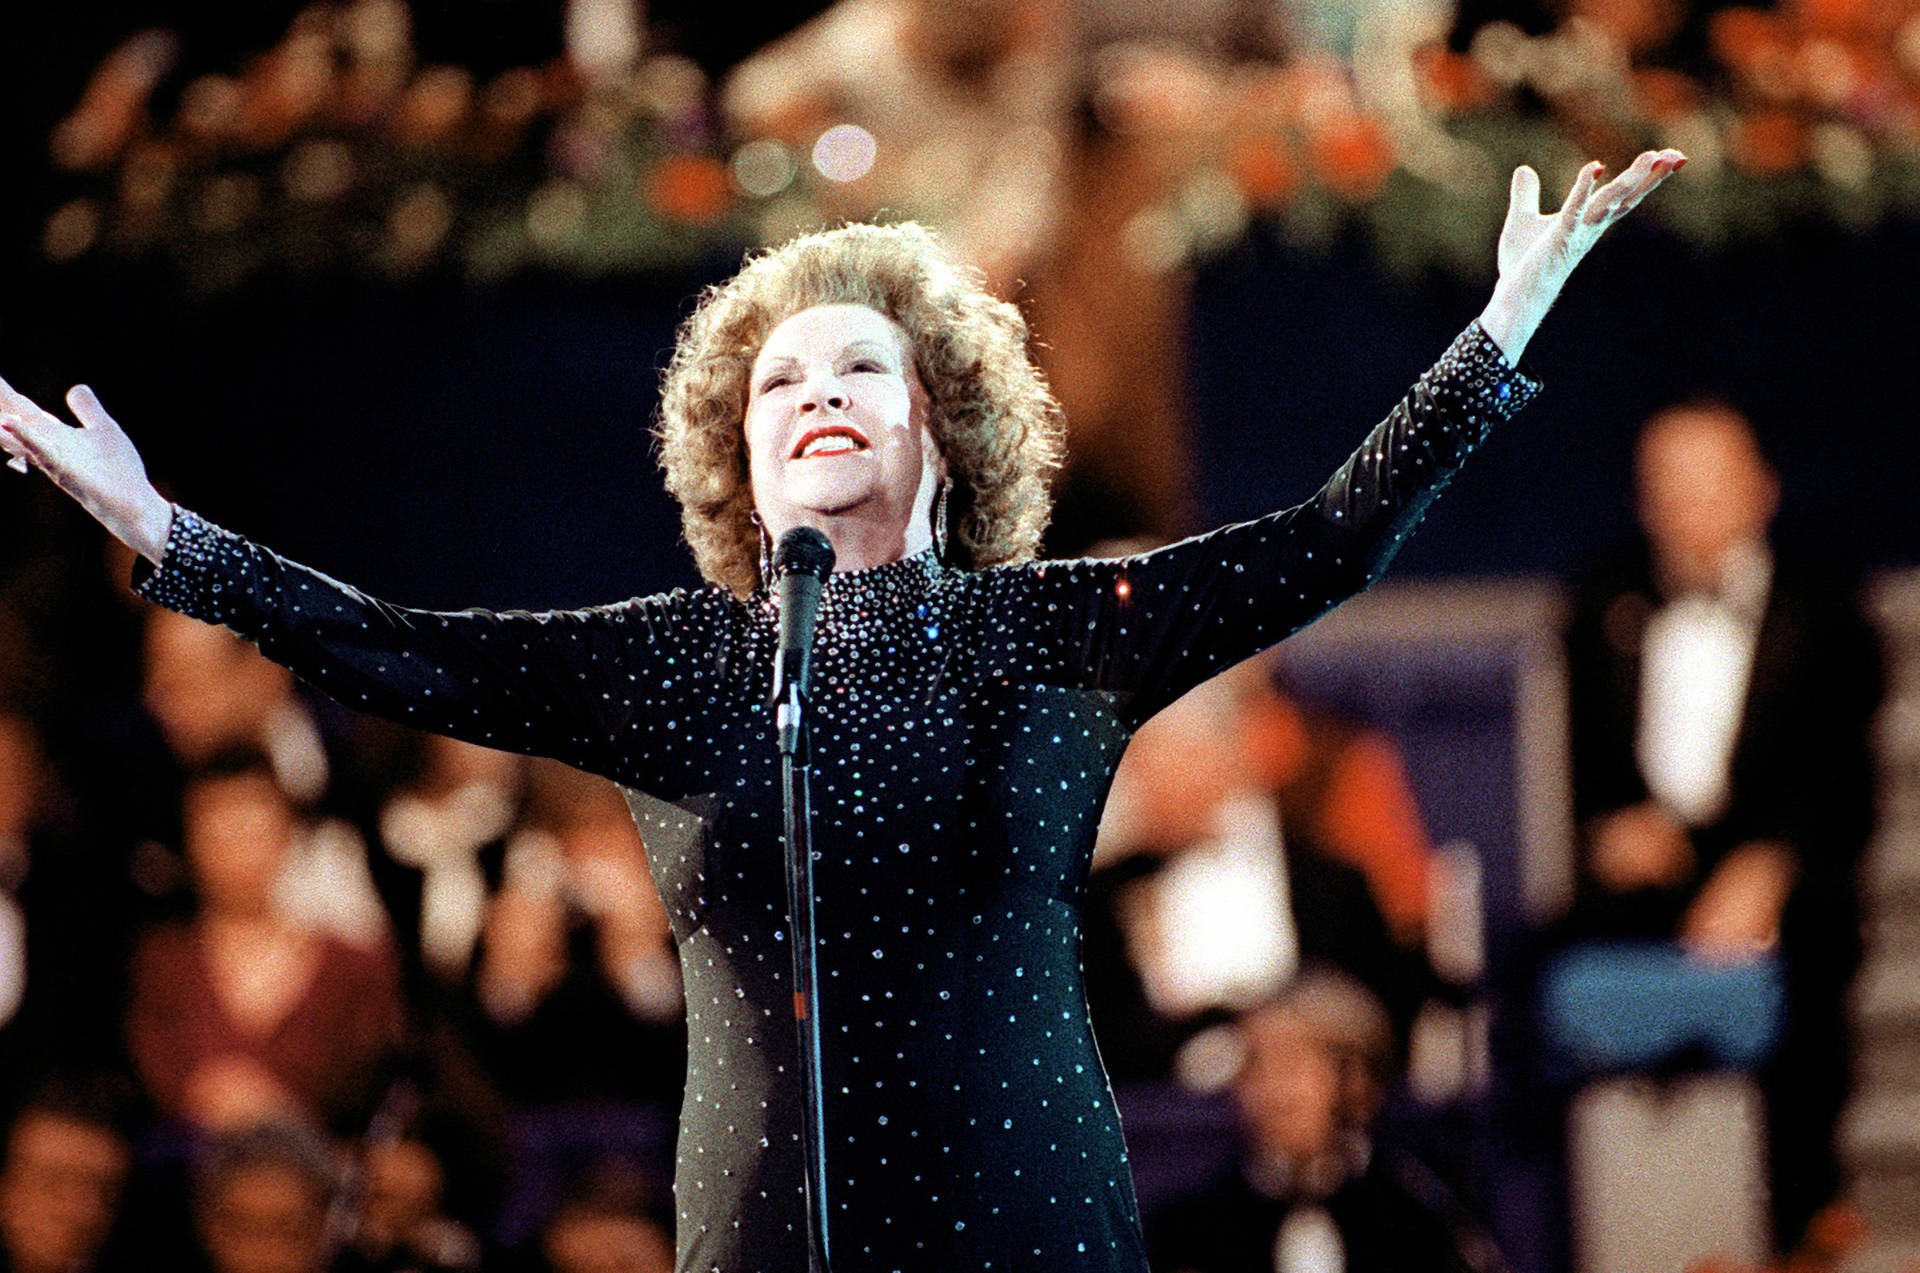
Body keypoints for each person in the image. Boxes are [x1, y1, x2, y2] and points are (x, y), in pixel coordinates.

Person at [0, 147, 1683, 1271]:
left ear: (940, 428)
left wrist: (1498, 326)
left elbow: (1321, 541)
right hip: (758, 1224)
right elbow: (405, 646)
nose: (813, 392)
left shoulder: (1051, 627)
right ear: (735, 462)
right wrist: (170, 538)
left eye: (856, 366)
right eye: (779, 385)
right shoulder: (678, 660)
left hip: (1027, 1214)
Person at [1555, 400, 1884, 1255]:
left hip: (1785, 868)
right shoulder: (1600, 603)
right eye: (1671, 490)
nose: (1690, 509)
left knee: (1807, 960)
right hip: (1648, 876)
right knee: (1553, 959)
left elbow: (1847, 785)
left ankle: (1799, 1221)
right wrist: (1612, 831)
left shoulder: (1827, 605)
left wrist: (1768, 867)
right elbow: (1582, 771)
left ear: (1761, 492)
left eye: (1710, 487)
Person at [1147, 969, 1504, 1273]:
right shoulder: (1190, 1232)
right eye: (1254, 1066)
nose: (1272, 1092)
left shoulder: (1418, 1221)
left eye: (1292, 1065)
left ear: (1356, 1084)